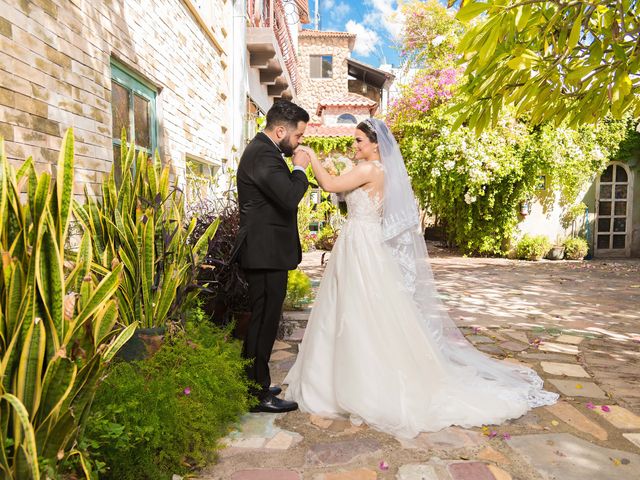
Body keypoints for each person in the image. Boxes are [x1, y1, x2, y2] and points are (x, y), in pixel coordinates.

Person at [284, 118, 558, 438]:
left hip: (361, 245)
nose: (355, 146)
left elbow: (330, 185)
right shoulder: (383, 172)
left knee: (356, 308)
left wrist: (311, 157)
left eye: (359, 141)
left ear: (375, 144)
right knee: (363, 308)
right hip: (366, 243)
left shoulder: (370, 169)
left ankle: (355, 382)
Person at [233, 100, 310, 413]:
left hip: (267, 253)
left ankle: (255, 381)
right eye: (298, 136)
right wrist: (301, 167)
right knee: (263, 323)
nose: (299, 142)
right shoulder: (264, 154)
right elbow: (290, 196)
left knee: (263, 321)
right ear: (281, 131)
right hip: (264, 255)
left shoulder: (264, 151)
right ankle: (256, 394)